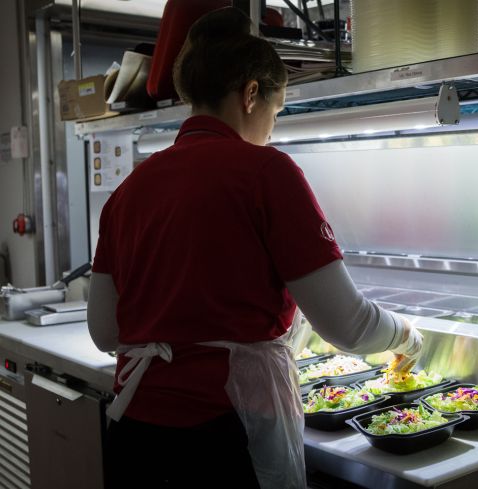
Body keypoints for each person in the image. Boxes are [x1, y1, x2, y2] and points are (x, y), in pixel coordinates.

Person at [87, 7, 423, 489]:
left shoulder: (129, 190)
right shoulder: (267, 172)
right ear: (250, 95)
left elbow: (105, 331)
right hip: (224, 438)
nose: (273, 127)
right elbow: (349, 326)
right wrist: (406, 335)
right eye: (277, 110)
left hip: (137, 436)